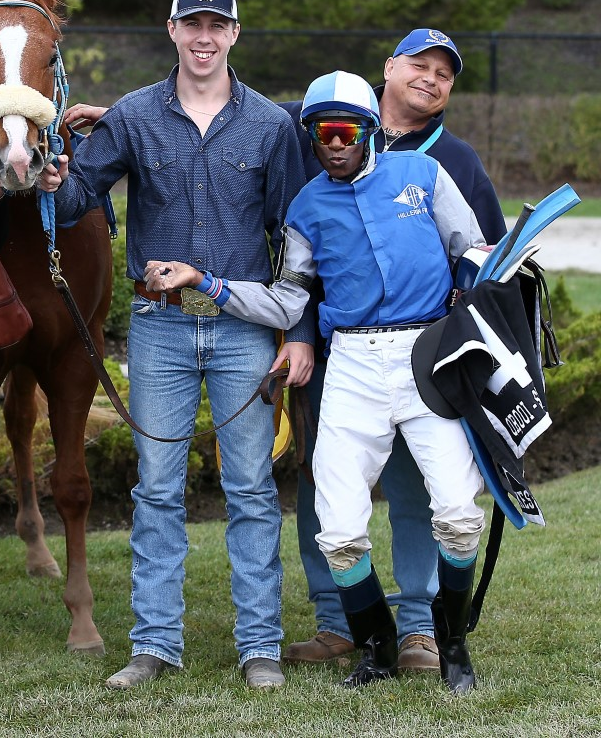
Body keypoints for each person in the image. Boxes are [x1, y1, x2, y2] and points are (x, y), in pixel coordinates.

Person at [152, 70, 487, 693]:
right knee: (337, 528)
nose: (333, 143)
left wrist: (475, 290)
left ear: (369, 132)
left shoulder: (426, 175)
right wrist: (206, 282)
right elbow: (287, 302)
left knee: (459, 514)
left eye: (346, 130)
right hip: (353, 365)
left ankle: (453, 645)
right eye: (320, 132)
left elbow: (473, 247)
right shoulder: (305, 208)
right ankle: (378, 647)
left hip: (427, 356)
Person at [45, 0, 311, 691]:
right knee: (157, 491)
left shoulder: (271, 126)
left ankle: (260, 646)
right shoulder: (132, 116)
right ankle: (154, 645)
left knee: (251, 490)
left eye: (215, 25)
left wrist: (298, 331)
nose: (202, 36)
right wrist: (48, 167)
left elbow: (294, 238)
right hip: (160, 331)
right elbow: (76, 198)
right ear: (171, 29)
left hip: (243, 330)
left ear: (233, 34)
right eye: (190, 24)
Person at [281, 29, 506, 673]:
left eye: (445, 72)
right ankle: (340, 624)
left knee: (427, 494)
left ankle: (421, 631)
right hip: (339, 355)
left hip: (426, 354)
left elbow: (478, 252)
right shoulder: (323, 139)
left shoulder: (450, 161)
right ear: (389, 67)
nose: (431, 78)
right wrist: (297, 335)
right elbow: (300, 269)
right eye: (419, 64)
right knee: (328, 494)